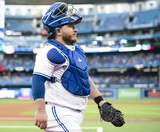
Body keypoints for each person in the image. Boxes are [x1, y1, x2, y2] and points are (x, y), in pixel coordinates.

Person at [32, 2, 125, 131]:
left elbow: (84, 77)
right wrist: (40, 111)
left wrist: (101, 102)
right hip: (59, 112)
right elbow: (37, 80)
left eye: (75, 25)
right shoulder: (49, 52)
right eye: (70, 25)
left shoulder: (77, 51)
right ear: (58, 30)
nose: (75, 29)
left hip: (75, 114)